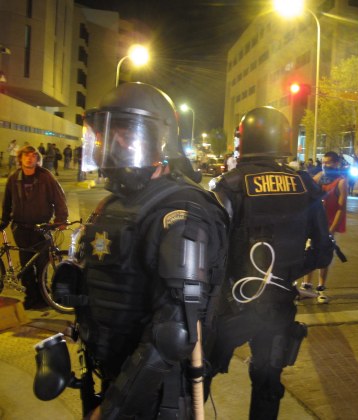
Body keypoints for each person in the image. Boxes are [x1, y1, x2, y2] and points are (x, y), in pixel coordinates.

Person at [50, 82, 229, 418]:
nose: (116, 144)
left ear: (161, 141)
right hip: (111, 376)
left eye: (127, 133)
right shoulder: (112, 204)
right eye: (109, 134)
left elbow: (173, 336)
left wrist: (112, 409)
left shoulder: (181, 212)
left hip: (156, 395)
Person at [206, 106, 334, 419]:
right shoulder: (304, 185)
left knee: (196, 378)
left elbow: (208, 255)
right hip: (279, 305)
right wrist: (285, 274)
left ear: (244, 141)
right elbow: (322, 253)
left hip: (230, 306)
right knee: (267, 385)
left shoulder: (228, 186)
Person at [0, 145, 68, 309]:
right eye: (26, 156)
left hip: (42, 227)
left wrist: (61, 219)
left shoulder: (46, 177)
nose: (30, 158)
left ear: (37, 159)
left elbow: (59, 198)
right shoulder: (14, 178)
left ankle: (43, 296)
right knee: (26, 264)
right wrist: (4, 221)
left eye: (33, 156)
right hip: (21, 228)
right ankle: (31, 297)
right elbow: (7, 202)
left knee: (43, 262)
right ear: (21, 159)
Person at [300, 151, 347, 304]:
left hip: (329, 224)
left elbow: (341, 208)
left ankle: (321, 288)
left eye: (328, 163)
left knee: (324, 255)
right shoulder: (319, 177)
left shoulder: (341, 182)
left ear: (336, 164)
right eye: (324, 162)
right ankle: (307, 286)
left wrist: (331, 230)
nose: (325, 165)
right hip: (315, 222)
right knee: (310, 252)